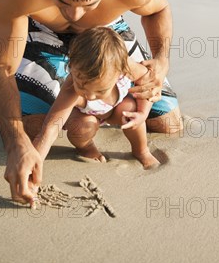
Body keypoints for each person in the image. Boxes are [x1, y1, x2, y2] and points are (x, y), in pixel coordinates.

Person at [0, 0, 182, 206]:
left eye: (88, 5)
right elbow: (1, 68)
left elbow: (158, 10)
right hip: (44, 33)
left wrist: (161, 60)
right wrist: (16, 145)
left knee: (168, 124)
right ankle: (82, 112)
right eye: (61, 1)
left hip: (105, 35)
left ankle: (95, 106)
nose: (74, 16)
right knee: (31, 131)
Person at [33, 26, 160, 170]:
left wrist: (143, 113)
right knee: (80, 128)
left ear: (121, 71)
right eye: (81, 86)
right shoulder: (70, 90)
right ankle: (86, 147)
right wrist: (35, 161)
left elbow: (147, 83)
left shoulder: (127, 68)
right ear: (71, 66)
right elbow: (50, 129)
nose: (90, 96)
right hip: (85, 115)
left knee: (131, 111)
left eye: (100, 90)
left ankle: (141, 150)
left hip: (115, 109)